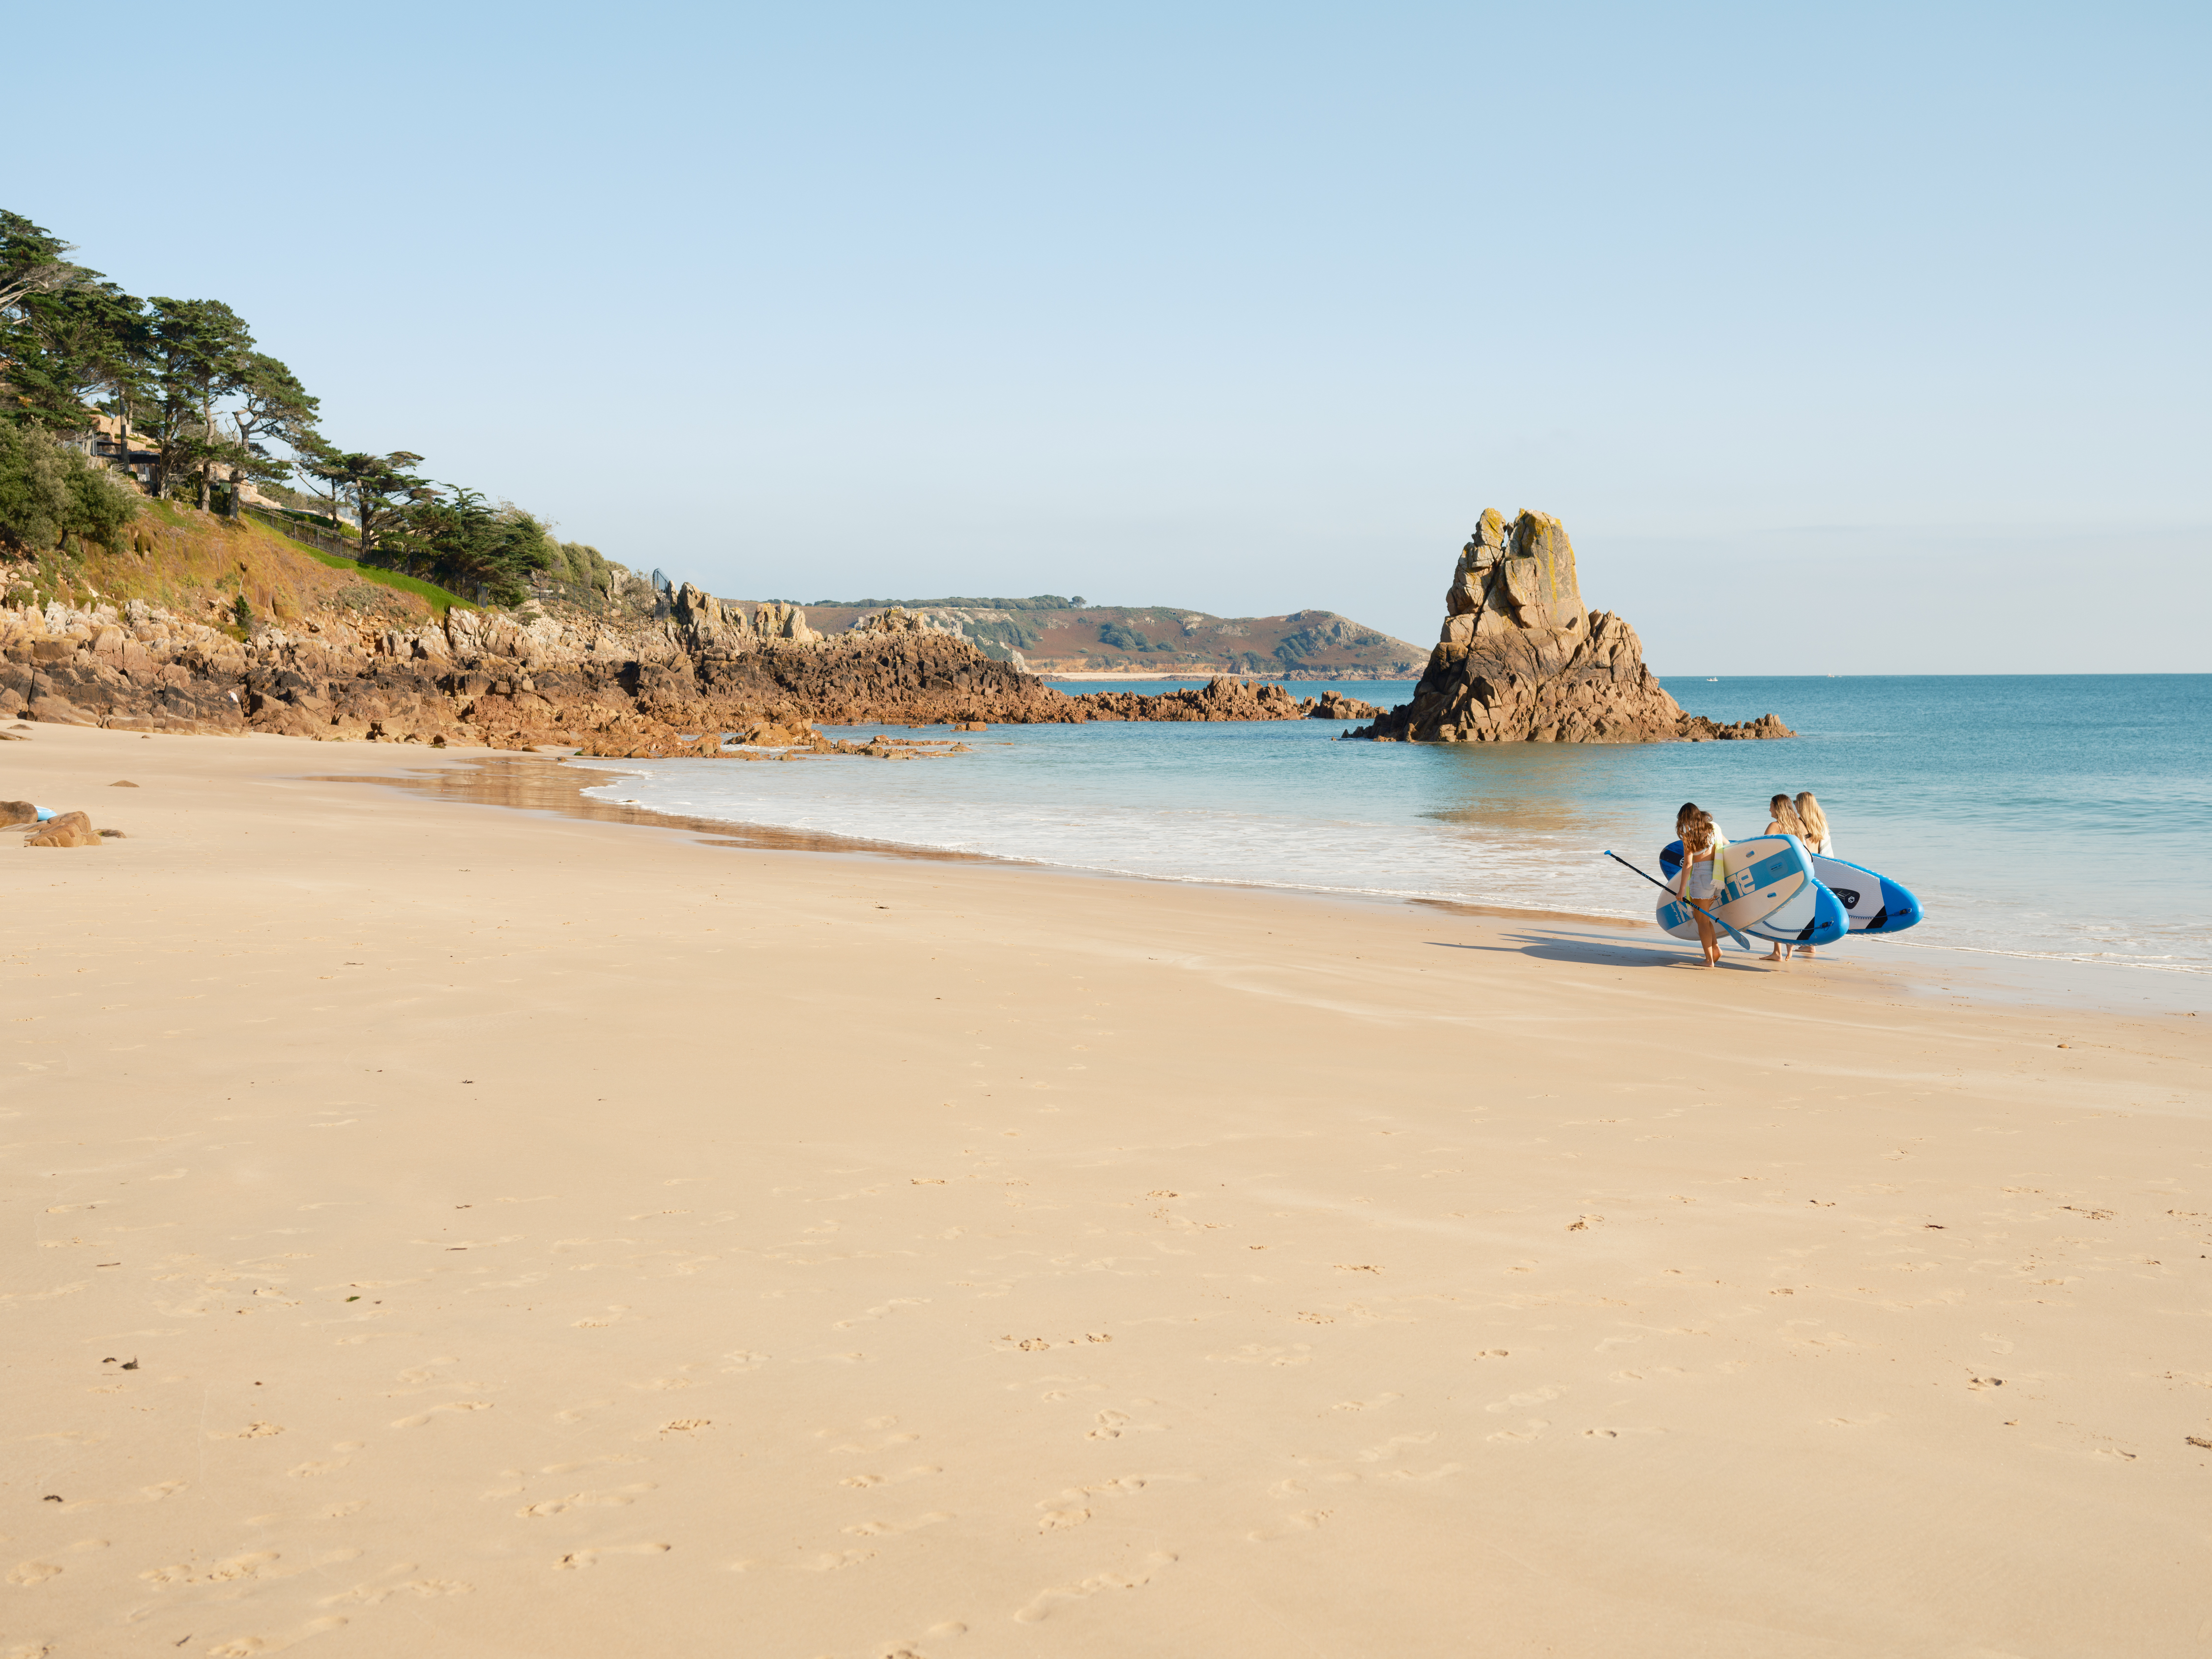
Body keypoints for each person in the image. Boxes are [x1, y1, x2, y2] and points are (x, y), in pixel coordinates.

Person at [1673, 804, 1727, 968]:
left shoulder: (1689, 836)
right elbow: (1727, 844)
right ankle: (1715, 949)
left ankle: (1709, 960)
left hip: (1700, 875)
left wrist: (1682, 889)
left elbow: (1688, 864)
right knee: (1702, 916)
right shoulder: (1713, 828)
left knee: (1702, 920)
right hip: (1715, 874)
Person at [1760, 794, 1805, 962]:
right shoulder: (1797, 827)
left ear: (1778, 807)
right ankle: (1789, 943)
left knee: (1774, 911)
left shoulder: (1775, 826)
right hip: (1795, 874)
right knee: (1788, 909)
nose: (1769, 809)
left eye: (1771, 805)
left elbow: (1763, 850)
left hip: (1776, 874)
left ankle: (1777, 952)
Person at [1792, 792, 1834, 959]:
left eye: (1796, 802)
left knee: (1801, 908)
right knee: (1813, 908)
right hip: (1820, 868)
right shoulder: (1821, 824)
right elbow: (1827, 852)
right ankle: (1810, 944)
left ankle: (1807, 944)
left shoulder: (1797, 823)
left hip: (1806, 870)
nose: (1794, 804)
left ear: (1801, 805)